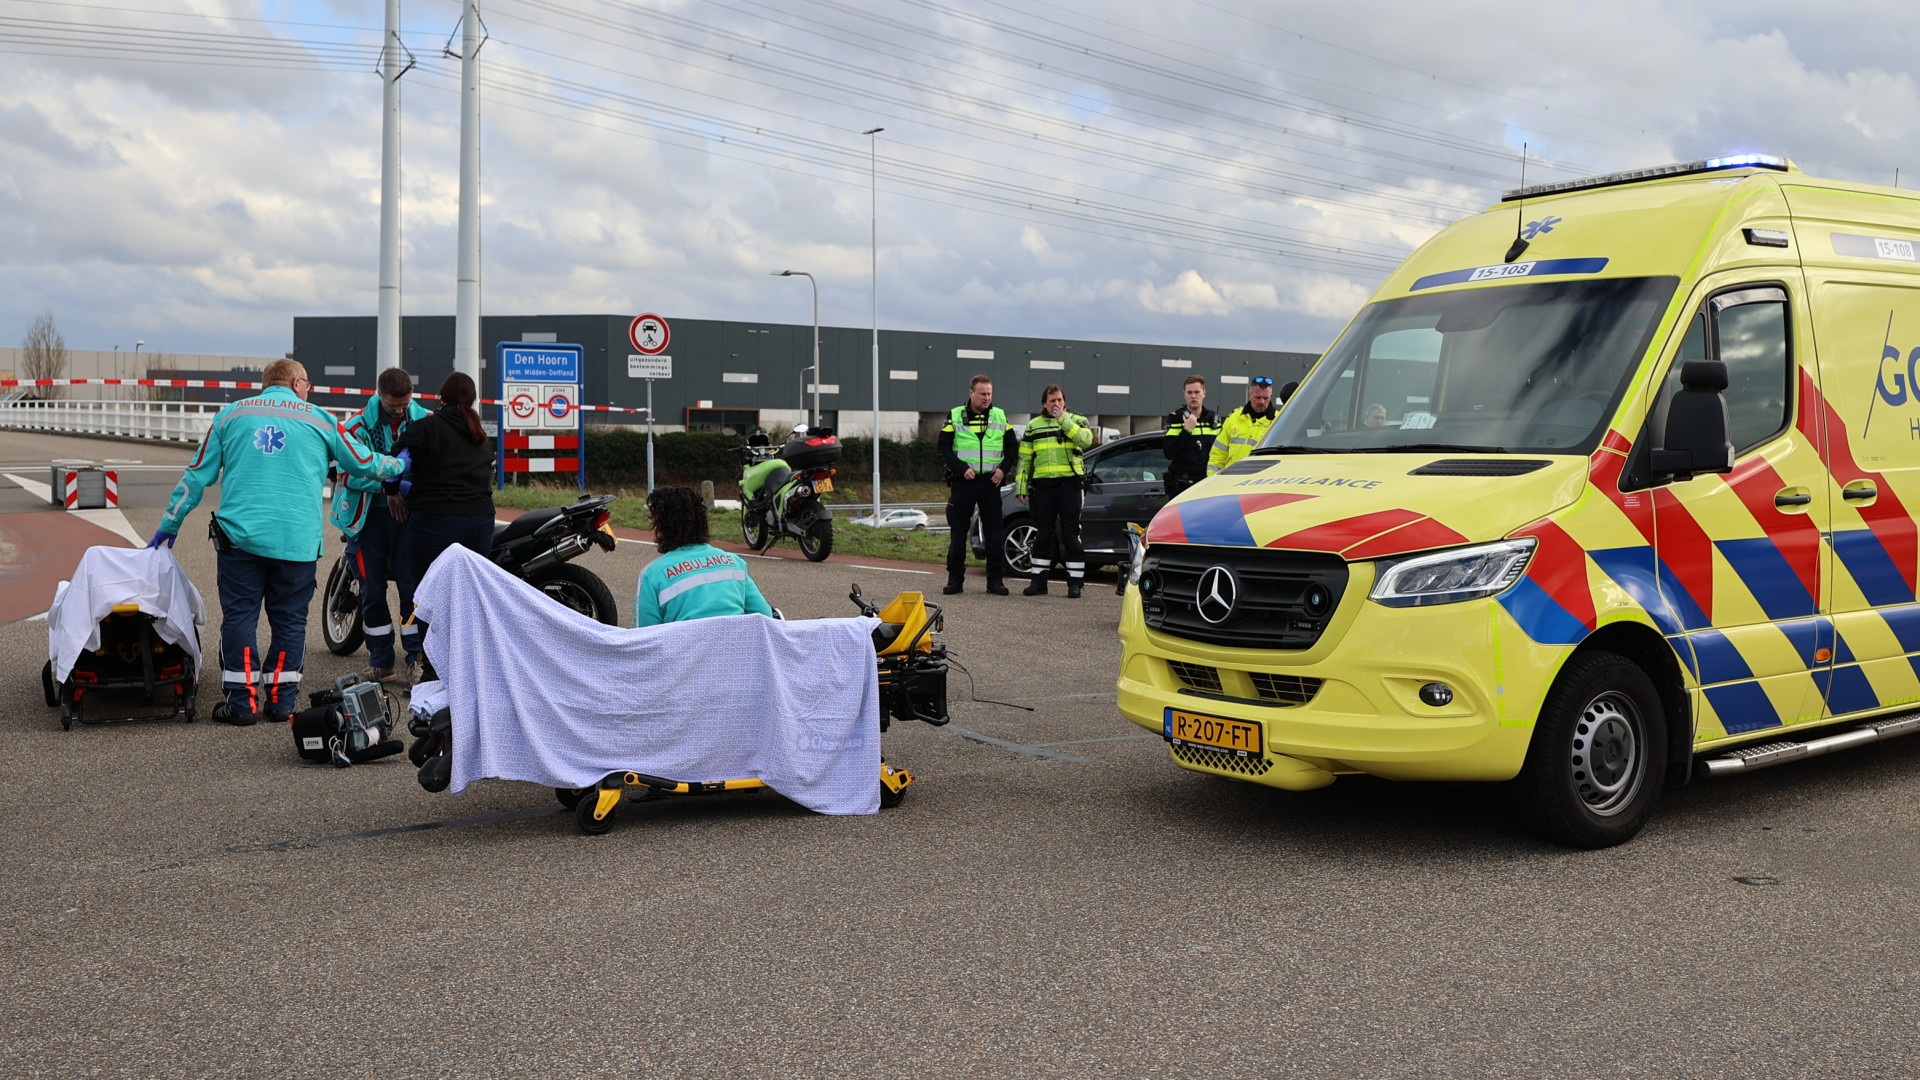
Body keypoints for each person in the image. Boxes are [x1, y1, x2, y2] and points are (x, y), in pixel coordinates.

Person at [149, 359, 403, 726]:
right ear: (297, 383)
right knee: (289, 622)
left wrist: (169, 523)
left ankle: (242, 705)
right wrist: (400, 466)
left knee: (239, 619)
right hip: (296, 543)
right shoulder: (321, 420)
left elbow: (196, 474)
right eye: (308, 385)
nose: (308, 390)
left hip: (240, 540)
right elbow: (364, 463)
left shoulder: (230, 416)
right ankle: (282, 703)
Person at [328, 367, 432, 684]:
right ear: (379, 395)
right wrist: (389, 489)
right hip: (367, 519)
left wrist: (405, 490)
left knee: (411, 592)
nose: (399, 411)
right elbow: (346, 473)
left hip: (409, 519)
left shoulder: (427, 420)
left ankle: (415, 660)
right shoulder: (357, 426)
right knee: (372, 593)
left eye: (404, 404)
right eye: (392, 406)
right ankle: (381, 662)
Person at [391, 371, 496, 682]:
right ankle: (467, 670)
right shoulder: (479, 432)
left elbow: (397, 464)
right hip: (480, 522)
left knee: (428, 593)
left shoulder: (427, 427)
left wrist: (393, 492)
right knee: (468, 596)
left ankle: (434, 672)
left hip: (435, 521)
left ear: (441, 396)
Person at [634, 486, 773, 626]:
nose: (650, 522)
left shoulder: (651, 575)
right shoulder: (735, 564)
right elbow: (765, 617)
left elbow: (643, 637)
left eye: (652, 517)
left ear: (662, 524)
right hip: (733, 646)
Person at [937, 374, 1017, 596]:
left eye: (990, 394)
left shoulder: (1000, 415)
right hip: (964, 482)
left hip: (991, 482)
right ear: (971, 393)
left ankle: (995, 582)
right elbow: (943, 447)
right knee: (958, 533)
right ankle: (955, 581)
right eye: (982, 393)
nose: (987, 398)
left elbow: (1012, 447)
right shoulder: (955, 415)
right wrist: (961, 468)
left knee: (993, 533)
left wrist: (1003, 469)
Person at [1017, 384, 1093, 598]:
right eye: (1052, 401)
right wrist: (1021, 486)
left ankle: (1075, 583)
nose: (1057, 404)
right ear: (1044, 404)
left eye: (1060, 400)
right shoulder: (1033, 425)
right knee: (1042, 534)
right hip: (1043, 487)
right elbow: (1024, 459)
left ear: (1064, 402)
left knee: (1071, 533)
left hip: (1070, 486)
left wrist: (1064, 420)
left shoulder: (1076, 420)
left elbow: (1086, 441)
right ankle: (1038, 582)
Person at [1161, 374, 1220, 498]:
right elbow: (1168, 453)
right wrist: (1187, 430)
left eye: (1197, 392)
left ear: (1204, 393)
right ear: (1184, 394)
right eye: (1189, 392)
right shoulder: (1175, 418)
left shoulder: (1213, 420)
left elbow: (1221, 452)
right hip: (1183, 486)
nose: (1193, 396)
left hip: (1207, 485)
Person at [1208, 375, 1281, 475]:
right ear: (1249, 395)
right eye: (1258, 397)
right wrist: (1212, 481)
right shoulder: (1234, 418)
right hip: (1230, 480)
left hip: (1260, 482)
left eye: (1266, 398)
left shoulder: (1278, 422)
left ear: (1271, 396)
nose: (1262, 401)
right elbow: (1218, 455)